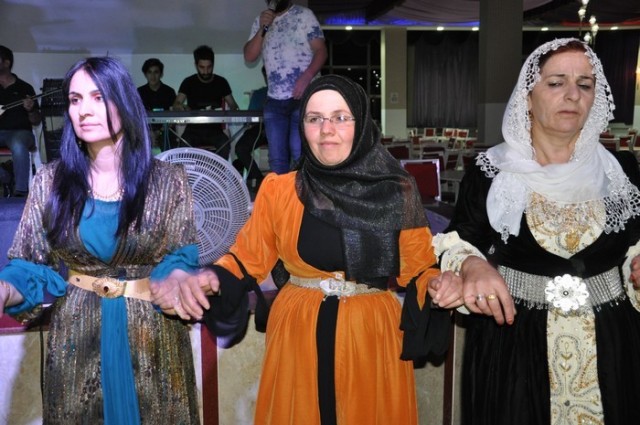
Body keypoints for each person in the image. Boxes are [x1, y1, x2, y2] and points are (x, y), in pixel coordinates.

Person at [158, 74, 462, 424]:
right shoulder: (280, 190)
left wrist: (437, 284)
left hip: (370, 338)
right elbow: (246, 258)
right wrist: (213, 277)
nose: (326, 129)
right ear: (302, 127)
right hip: (297, 335)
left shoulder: (397, 192)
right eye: (314, 118)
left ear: (361, 123)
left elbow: (420, 268)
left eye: (340, 117)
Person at [434, 38, 640, 425]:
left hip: (613, 348)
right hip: (514, 351)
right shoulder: (491, 172)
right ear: (527, 97)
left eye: (585, 84)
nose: (572, 95)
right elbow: (460, 242)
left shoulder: (622, 172)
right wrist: (473, 267)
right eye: (556, 82)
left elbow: (633, 245)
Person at [0, 57, 200, 423]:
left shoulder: (169, 180)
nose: (84, 110)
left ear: (124, 102)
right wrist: (5, 290)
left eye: (98, 97)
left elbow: (181, 256)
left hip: (152, 335)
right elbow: (29, 265)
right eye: (75, 100)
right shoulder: (49, 182)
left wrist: (177, 279)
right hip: (78, 335)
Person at [244, 0, 327, 174]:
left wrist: (307, 76)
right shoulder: (261, 20)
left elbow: (321, 50)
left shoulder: (304, 15)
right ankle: (282, 192)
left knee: (298, 151)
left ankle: (302, 191)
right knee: (276, 158)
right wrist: (262, 29)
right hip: (274, 100)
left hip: (303, 97)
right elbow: (249, 56)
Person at [173, 45, 239, 158]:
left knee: (225, 144)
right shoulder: (188, 82)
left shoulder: (221, 82)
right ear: (196, 65)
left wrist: (230, 111)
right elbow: (176, 104)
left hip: (215, 131)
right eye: (202, 67)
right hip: (192, 131)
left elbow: (233, 105)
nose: (205, 71)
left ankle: (216, 170)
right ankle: (190, 170)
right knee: (183, 146)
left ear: (213, 64)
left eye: (209, 67)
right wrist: (182, 106)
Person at [0, 45, 41, 197]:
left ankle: (21, 191)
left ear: (6, 63)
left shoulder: (25, 88)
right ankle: (5, 176)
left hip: (21, 133)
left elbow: (36, 121)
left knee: (18, 143)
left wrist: (30, 109)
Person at [233, 66, 268, 192]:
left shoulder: (287, 94)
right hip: (259, 129)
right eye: (266, 75)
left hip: (280, 129)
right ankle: (258, 177)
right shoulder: (259, 94)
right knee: (240, 148)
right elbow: (250, 118)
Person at [137, 58, 177, 151]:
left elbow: (173, 118)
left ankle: (168, 161)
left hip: (165, 130)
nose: (153, 76)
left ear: (161, 74)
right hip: (145, 131)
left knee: (168, 139)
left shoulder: (169, 92)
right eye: (149, 72)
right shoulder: (139, 92)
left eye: (156, 72)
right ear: (145, 74)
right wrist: (149, 133)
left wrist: (158, 132)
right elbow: (136, 117)